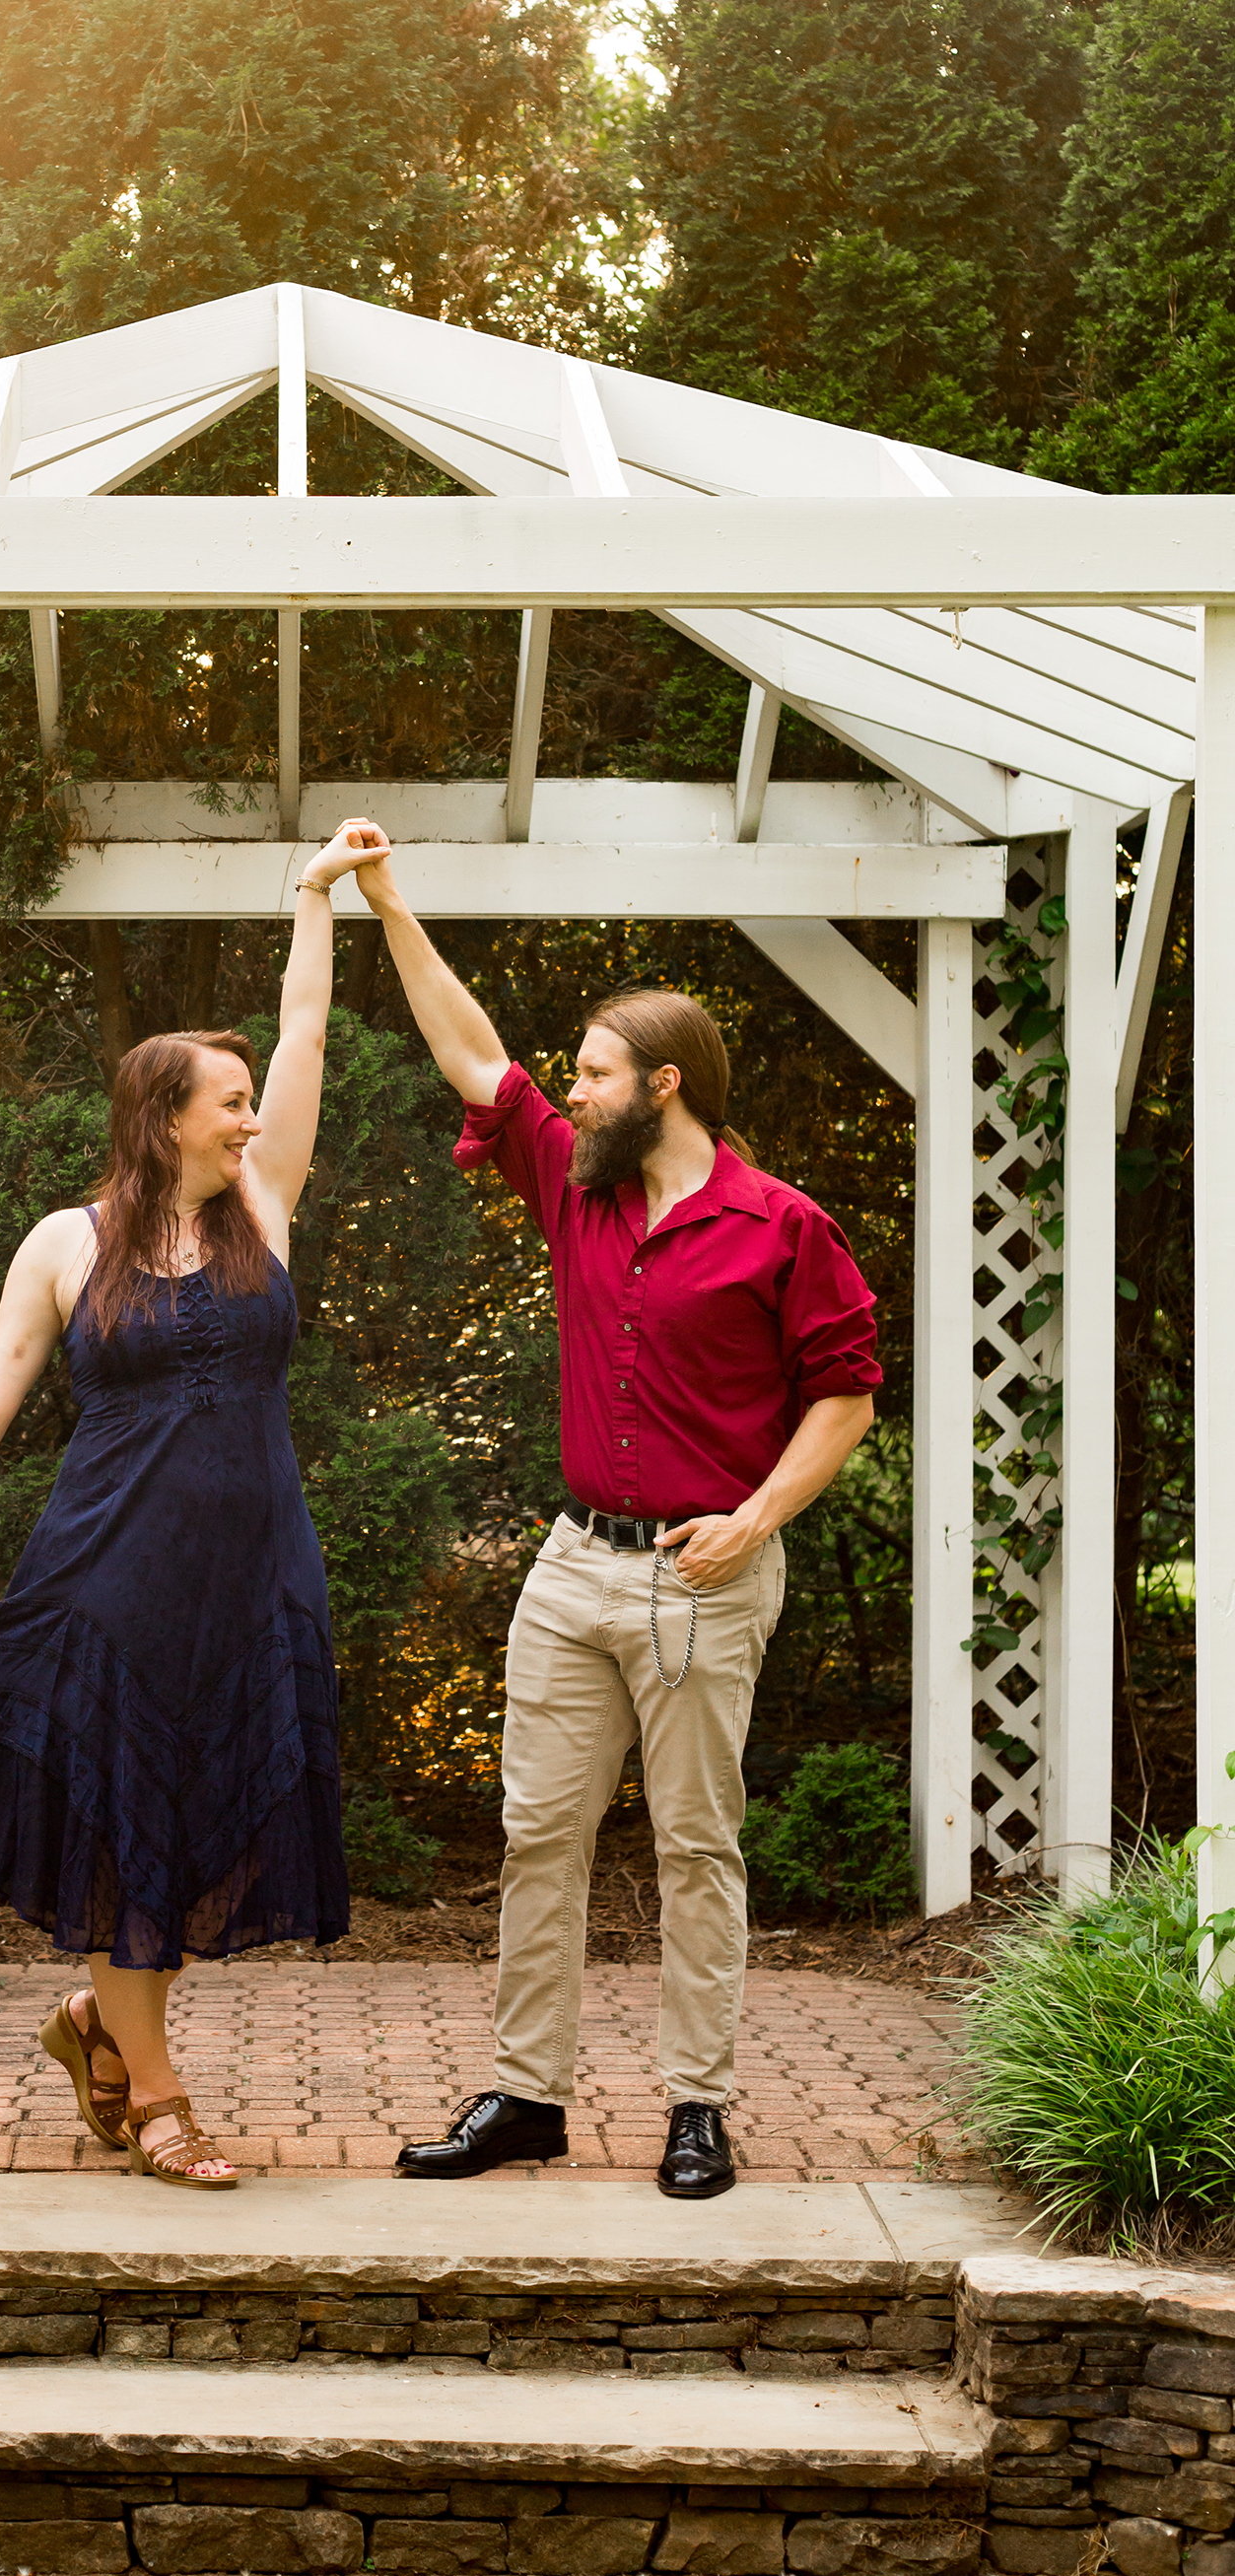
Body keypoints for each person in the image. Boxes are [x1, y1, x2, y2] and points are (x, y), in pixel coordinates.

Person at [0, 820, 391, 2191]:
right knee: (131, 1811)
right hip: (111, 1568)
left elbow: (307, 1033)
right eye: (224, 1098)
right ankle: (161, 2090)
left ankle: (93, 2022)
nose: (248, 1113)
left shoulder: (269, 1210)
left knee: (195, 1813)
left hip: (254, 1568)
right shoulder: (67, 1245)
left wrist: (316, 900)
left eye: (251, 1099)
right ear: (160, 1113)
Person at [354, 830, 881, 2199]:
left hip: (709, 1573)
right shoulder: (572, 1185)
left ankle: (697, 2102)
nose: (567, 1090)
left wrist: (759, 1516)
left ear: (662, 1085)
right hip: (574, 1566)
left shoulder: (783, 1226)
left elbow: (847, 1399)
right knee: (540, 1832)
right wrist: (388, 903)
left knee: (698, 1844)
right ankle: (528, 2094)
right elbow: (474, 1055)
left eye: (590, 1072)